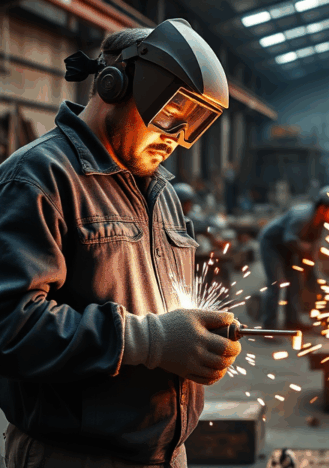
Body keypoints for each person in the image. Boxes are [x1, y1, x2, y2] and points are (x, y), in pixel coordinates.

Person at [0, 19, 241, 468]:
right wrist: (151, 340)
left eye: (193, 123)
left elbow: (167, 312)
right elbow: (11, 327)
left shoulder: (162, 192)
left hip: (164, 455)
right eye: (170, 114)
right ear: (115, 85)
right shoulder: (39, 178)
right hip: (71, 456)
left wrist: (193, 340)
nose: (176, 138)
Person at [258, 185, 329, 332]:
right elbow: (289, 239)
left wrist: (313, 269)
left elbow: (314, 245)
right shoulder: (302, 216)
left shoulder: (321, 223)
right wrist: (305, 249)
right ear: (324, 207)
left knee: (296, 282)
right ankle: (269, 327)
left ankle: (292, 322)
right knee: (277, 284)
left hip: (290, 250)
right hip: (272, 245)